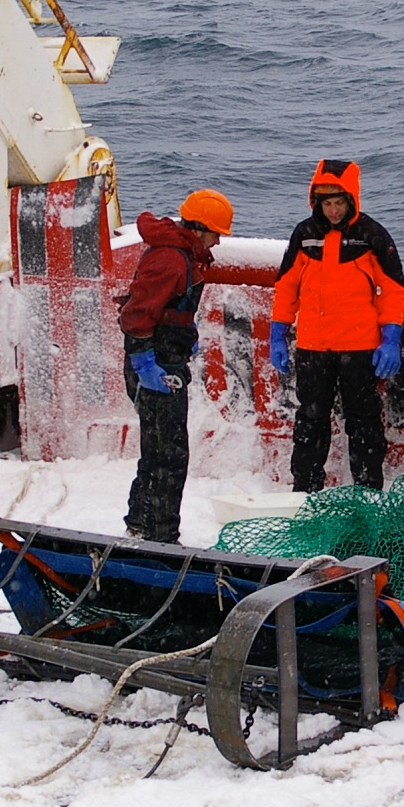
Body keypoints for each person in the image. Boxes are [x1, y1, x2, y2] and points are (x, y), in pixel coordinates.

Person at [268, 160, 404, 492]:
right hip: (312, 348)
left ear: (351, 200)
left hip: (360, 349)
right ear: (316, 202)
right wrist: (278, 333)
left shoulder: (373, 235)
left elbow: (392, 289)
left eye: (339, 203)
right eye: (326, 204)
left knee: (363, 424)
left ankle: (367, 491)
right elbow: (286, 286)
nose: (333, 211)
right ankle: (304, 490)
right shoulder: (304, 234)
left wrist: (391, 336)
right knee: (310, 421)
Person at [119, 188, 233, 542]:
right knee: (169, 455)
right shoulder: (171, 259)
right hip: (156, 364)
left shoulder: (179, 255)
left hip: (166, 355)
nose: (217, 242)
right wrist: (144, 362)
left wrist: (186, 328)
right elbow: (137, 312)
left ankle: (141, 521)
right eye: (215, 233)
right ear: (198, 228)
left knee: (156, 450)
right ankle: (161, 537)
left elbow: (164, 304)